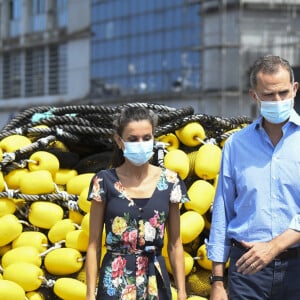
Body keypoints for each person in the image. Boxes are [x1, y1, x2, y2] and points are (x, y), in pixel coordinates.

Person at [206, 55, 300, 300]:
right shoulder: (236, 144)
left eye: (283, 92)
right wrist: (217, 281)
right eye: (268, 95)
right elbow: (223, 210)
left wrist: (274, 246)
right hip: (247, 270)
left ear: (295, 89)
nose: (277, 100)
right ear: (254, 96)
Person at [85, 106, 189, 300]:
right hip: (114, 284)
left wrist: (182, 292)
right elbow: (94, 245)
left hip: (155, 283)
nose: (140, 144)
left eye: (146, 138)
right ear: (119, 141)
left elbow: (175, 244)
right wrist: (90, 295)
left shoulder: (170, 182)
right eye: (133, 139)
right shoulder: (104, 181)